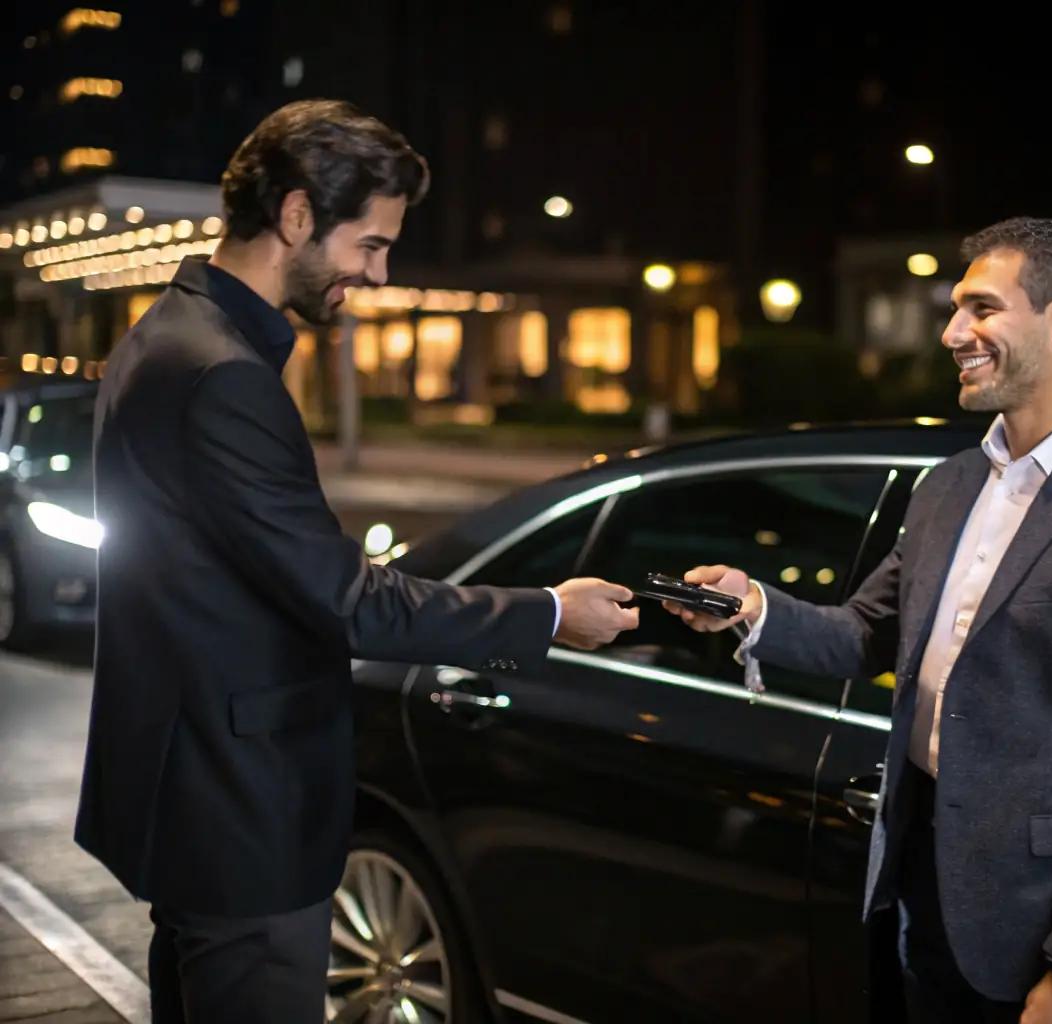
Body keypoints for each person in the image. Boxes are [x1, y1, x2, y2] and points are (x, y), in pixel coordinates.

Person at [75, 99, 639, 1023]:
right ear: (296, 215)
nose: (377, 274)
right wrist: (547, 613)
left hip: (191, 793)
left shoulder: (163, 338)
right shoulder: (223, 372)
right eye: (369, 245)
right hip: (242, 813)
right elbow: (346, 602)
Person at [666, 217, 1052, 1023]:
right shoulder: (948, 487)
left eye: (981, 309)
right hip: (921, 892)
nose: (952, 332)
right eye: (956, 310)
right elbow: (865, 634)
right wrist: (750, 605)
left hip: (1047, 928)